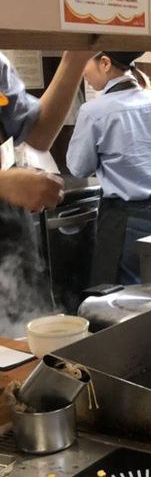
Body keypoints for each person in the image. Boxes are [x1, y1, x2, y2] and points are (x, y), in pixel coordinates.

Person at [66, 50, 151, 285]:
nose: (83, 73)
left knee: (122, 296)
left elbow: (78, 168)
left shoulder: (93, 111)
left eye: (85, 63)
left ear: (105, 63)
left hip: (124, 222)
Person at [0, 50, 93, 330]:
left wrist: (76, 57)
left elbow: (37, 135)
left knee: (27, 338)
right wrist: (4, 184)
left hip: (9, 236)